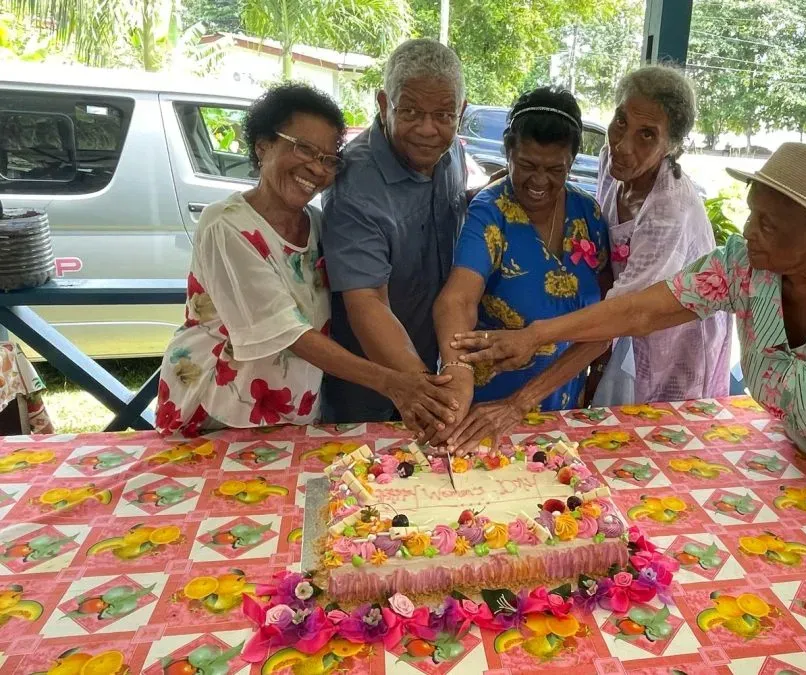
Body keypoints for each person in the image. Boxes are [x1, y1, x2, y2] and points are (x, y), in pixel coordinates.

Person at [451, 143, 806, 542]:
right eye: (750, 213)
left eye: (768, 223)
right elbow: (637, 311)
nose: (750, 231)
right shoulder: (743, 265)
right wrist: (534, 336)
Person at [155, 83, 451, 437]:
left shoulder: (317, 225)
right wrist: (396, 383)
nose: (316, 168)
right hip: (219, 409)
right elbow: (288, 332)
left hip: (291, 412)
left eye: (328, 159)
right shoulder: (226, 224)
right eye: (304, 150)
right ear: (263, 146)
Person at [432, 87, 611, 452]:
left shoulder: (588, 214)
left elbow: (607, 317)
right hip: (489, 410)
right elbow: (457, 301)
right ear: (507, 152)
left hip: (561, 396)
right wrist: (458, 373)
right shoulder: (490, 213)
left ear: (572, 161)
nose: (539, 181)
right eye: (527, 165)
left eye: (555, 169)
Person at [320, 39, 468, 438]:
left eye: (443, 115)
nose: (427, 129)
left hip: (433, 362)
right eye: (411, 111)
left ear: (461, 112)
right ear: (384, 103)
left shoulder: (451, 153)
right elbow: (367, 303)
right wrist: (427, 392)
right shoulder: (354, 185)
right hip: (368, 387)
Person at [592, 65, 731, 406]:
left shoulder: (668, 210)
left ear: (672, 147)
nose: (623, 145)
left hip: (678, 330)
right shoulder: (611, 164)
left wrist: (524, 392)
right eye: (621, 122)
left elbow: (628, 313)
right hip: (628, 315)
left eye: (647, 135)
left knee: (666, 422)